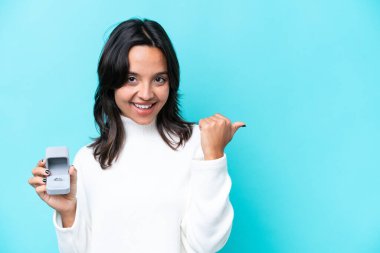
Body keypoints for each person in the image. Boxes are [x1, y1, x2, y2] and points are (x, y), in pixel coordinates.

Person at [28, 18, 246, 253]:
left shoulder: (197, 144)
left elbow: (206, 244)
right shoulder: (89, 159)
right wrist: (68, 212)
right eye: (131, 79)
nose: (145, 94)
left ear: (171, 82)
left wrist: (213, 157)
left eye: (159, 79)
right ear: (111, 81)